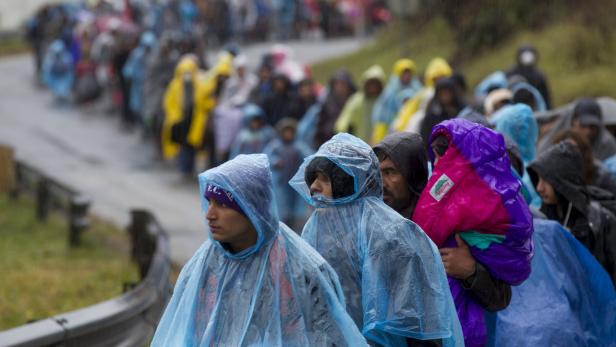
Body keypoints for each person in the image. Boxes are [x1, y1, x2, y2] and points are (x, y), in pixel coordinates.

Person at [151, 154, 368, 346]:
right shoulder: (203, 266)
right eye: (209, 202)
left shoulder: (304, 271)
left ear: (252, 207)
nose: (209, 214)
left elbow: (329, 338)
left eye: (223, 204)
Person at [290, 133, 464, 347]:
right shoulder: (314, 230)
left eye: (324, 178)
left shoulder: (393, 233)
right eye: (313, 178)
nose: (314, 187)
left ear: (347, 182)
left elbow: (420, 325)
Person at [412, 119, 533, 347]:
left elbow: (500, 297)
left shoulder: (490, 213)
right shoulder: (428, 199)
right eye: (435, 155)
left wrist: (470, 271)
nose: (439, 163)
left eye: (445, 155)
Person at [486, 218, 616, 346]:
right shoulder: (548, 230)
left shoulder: (484, 240)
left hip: (511, 333)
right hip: (563, 327)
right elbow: (584, 282)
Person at [528, 141, 616, 282]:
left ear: (562, 181)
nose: (539, 187)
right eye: (537, 179)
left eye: (546, 180)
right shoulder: (542, 219)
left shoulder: (600, 222)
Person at [264, 118, 313, 230]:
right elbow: (267, 156)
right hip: (281, 181)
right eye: (285, 132)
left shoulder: (298, 146)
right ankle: (282, 226)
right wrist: (275, 161)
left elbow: (308, 155)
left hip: (295, 180)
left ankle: (295, 225)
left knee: (297, 206)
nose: (288, 134)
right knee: (282, 205)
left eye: (290, 132)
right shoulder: (275, 146)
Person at [391, 57, 453, 134]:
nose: (439, 82)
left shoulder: (454, 94)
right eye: (436, 79)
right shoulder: (426, 95)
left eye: (442, 78)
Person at [371, 58, 422, 143]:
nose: (406, 76)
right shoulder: (389, 94)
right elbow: (382, 119)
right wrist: (378, 140)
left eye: (408, 73)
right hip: (392, 135)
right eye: (403, 73)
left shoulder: (418, 90)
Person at [553, 129, 616, 194]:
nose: (569, 152)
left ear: (583, 150)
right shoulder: (552, 172)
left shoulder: (600, 174)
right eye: (563, 149)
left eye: (573, 148)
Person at [334, 65, 385, 143]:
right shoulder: (358, 100)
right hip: (360, 144)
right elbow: (343, 122)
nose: (373, 87)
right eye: (370, 84)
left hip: (381, 142)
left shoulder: (384, 100)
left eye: (375, 84)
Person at [314, 70, 356, 147]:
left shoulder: (356, 100)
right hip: (330, 141)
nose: (339, 87)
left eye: (342, 84)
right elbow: (320, 126)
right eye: (337, 84)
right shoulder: (327, 102)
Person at [419, 77, 466, 145]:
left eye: (447, 92)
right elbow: (426, 138)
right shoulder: (432, 115)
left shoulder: (462, 110)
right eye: (442, 93)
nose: (445, 96)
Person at [506, 45, 551, 109]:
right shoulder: (511, 73)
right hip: (513, 107)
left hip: (536, 108)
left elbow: (545, 96)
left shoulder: (539, 75)